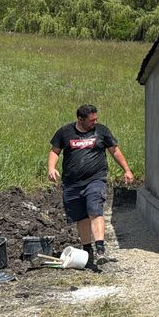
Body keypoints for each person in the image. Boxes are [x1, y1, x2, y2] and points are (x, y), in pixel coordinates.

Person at [47, 104, 133, 266]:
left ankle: (100, 248)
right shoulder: (65, 132)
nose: (95, 122)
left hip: (95, 179)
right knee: (81, 216)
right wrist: (51, 168)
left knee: (95, 209)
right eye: (92, 120)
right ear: (80, 119)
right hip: (72, 183)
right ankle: (88, 249)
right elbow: (54, 151)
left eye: (96, 119)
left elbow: (114, 151)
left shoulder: (101, 131)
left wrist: (127, 170)